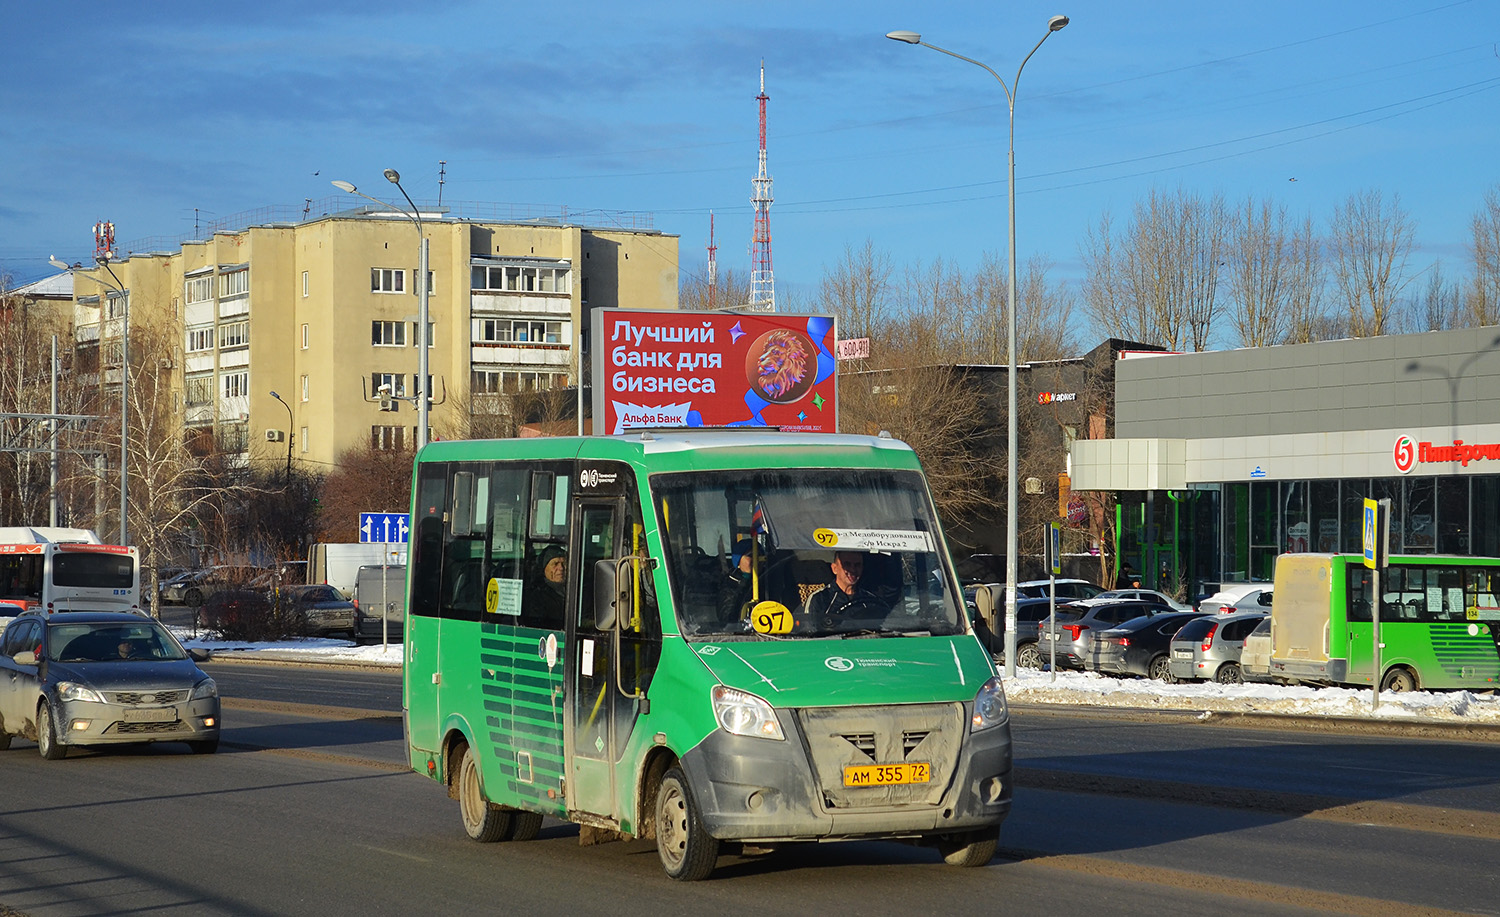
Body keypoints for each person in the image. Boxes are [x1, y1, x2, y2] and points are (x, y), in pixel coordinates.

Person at [802, 551, 885, 619]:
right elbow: (810, 632)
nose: (853, 570)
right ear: (834, 569)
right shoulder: (820, 598)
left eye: (857, 565)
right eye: (847, 565)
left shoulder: (871, 600)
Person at [525, 545, 567, 621]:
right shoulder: (536, 596)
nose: (561, 568)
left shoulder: (579, 589)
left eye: (564, 563)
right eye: (555, 563)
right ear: (544, 568)